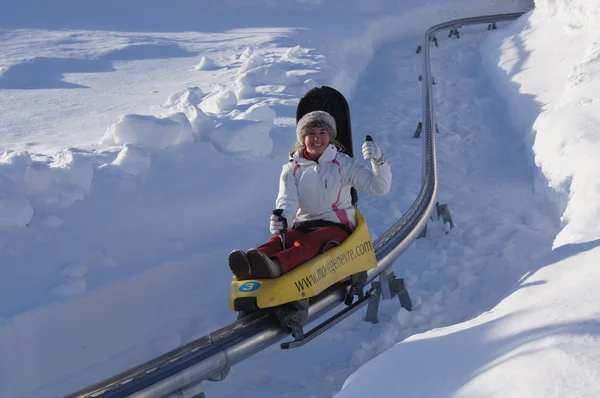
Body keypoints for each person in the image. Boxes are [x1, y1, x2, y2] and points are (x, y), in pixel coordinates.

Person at [229, 110, 391, 280]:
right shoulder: (292, 169)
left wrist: (379, 161)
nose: (317, 138)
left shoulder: (343, 164)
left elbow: (379, 187)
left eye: (323, 133)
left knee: (309, 244)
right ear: (302, 138)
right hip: (303, 226)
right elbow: (287, 199)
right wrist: (283, 218)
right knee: (277, 242)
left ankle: (275, 266)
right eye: (311, 133)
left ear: (330, 136)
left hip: (336, 227)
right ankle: (250, 264)